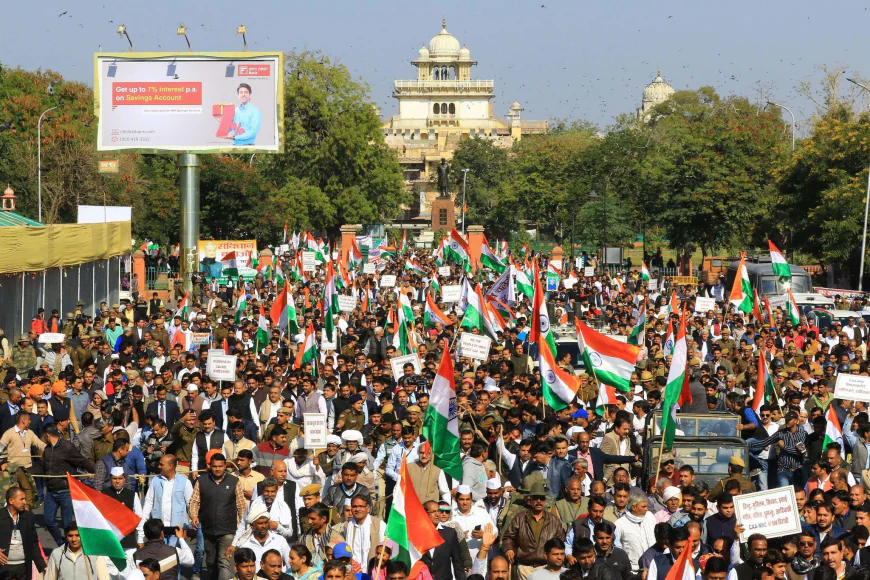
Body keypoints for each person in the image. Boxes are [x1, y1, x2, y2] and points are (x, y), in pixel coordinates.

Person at [190, 453, 247, 580]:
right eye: (214, 466)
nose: (217, 469)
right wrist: (194, 515)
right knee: (210, 562)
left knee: (224, 562)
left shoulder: (234, 482)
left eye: (220, 466)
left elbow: (241, 505)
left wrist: (242, 526)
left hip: (227, 530)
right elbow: (194, 501)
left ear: (225, 466)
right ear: (210, 466)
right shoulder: (201, 481)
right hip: (207, 529)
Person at [41, 422, 96, 546]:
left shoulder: (67, 447)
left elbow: (80, 460)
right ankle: (61, 543)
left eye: (44, 436)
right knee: (48, 521)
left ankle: (69, 547)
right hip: (50, 491)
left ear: (47, 435)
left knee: (67, 525)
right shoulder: (47, 449)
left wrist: (95, 471)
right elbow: (42, 467)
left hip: (65, 491)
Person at [502, 481, 565, 580]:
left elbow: (560, 541)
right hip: (524, 567)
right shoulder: (520, 518)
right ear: (530, 500)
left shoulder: (553, 520)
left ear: (545, 501)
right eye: (535, 498)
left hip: (546, 567)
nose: (539, 501)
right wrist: (509, 548)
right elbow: (508, 537)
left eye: (542, 498)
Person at [0, 487, 46, 579]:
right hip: (3, 567)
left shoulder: (28, 516)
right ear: (11, 500)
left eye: (24, 499)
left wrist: (42, 565)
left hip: (23, 567)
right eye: (21, 499)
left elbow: (33, 543)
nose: (24, 502)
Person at [229, 505, 291, 573]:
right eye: (260, 523)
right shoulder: (245, 545)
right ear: (252, 526)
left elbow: (291, 564)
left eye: (266, 522)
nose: (264, 526)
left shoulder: (280, 540)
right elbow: (240, 571)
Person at [45, 522, 110, 580]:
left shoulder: (95, 553)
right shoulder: (57, 553)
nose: (74, 539)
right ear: (66, 536)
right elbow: (50, 577)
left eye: (77, 535)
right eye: (70, 536)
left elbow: (104, 578)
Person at [420, 500, 467, 580]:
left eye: (438, 511)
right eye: (434, 511)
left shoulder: (449, 533)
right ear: (425, 513)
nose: (438, 514)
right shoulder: (417, 534)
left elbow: (457, 563)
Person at [613, 490, 656, 576]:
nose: (646, 509)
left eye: (646, 506)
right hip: (634, 570)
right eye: (643, 507)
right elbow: (618, 547)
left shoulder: (650, 517)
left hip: (653, 567)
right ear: (633, 507)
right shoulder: (619, 524)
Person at [341, 495, 385, 566]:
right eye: (354, 506)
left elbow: (385, 548)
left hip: (373, 569)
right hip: (352, 570)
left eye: (361, 506)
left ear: (368, 509)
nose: (357, 509)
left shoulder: (379, 524)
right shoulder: (346, 525)